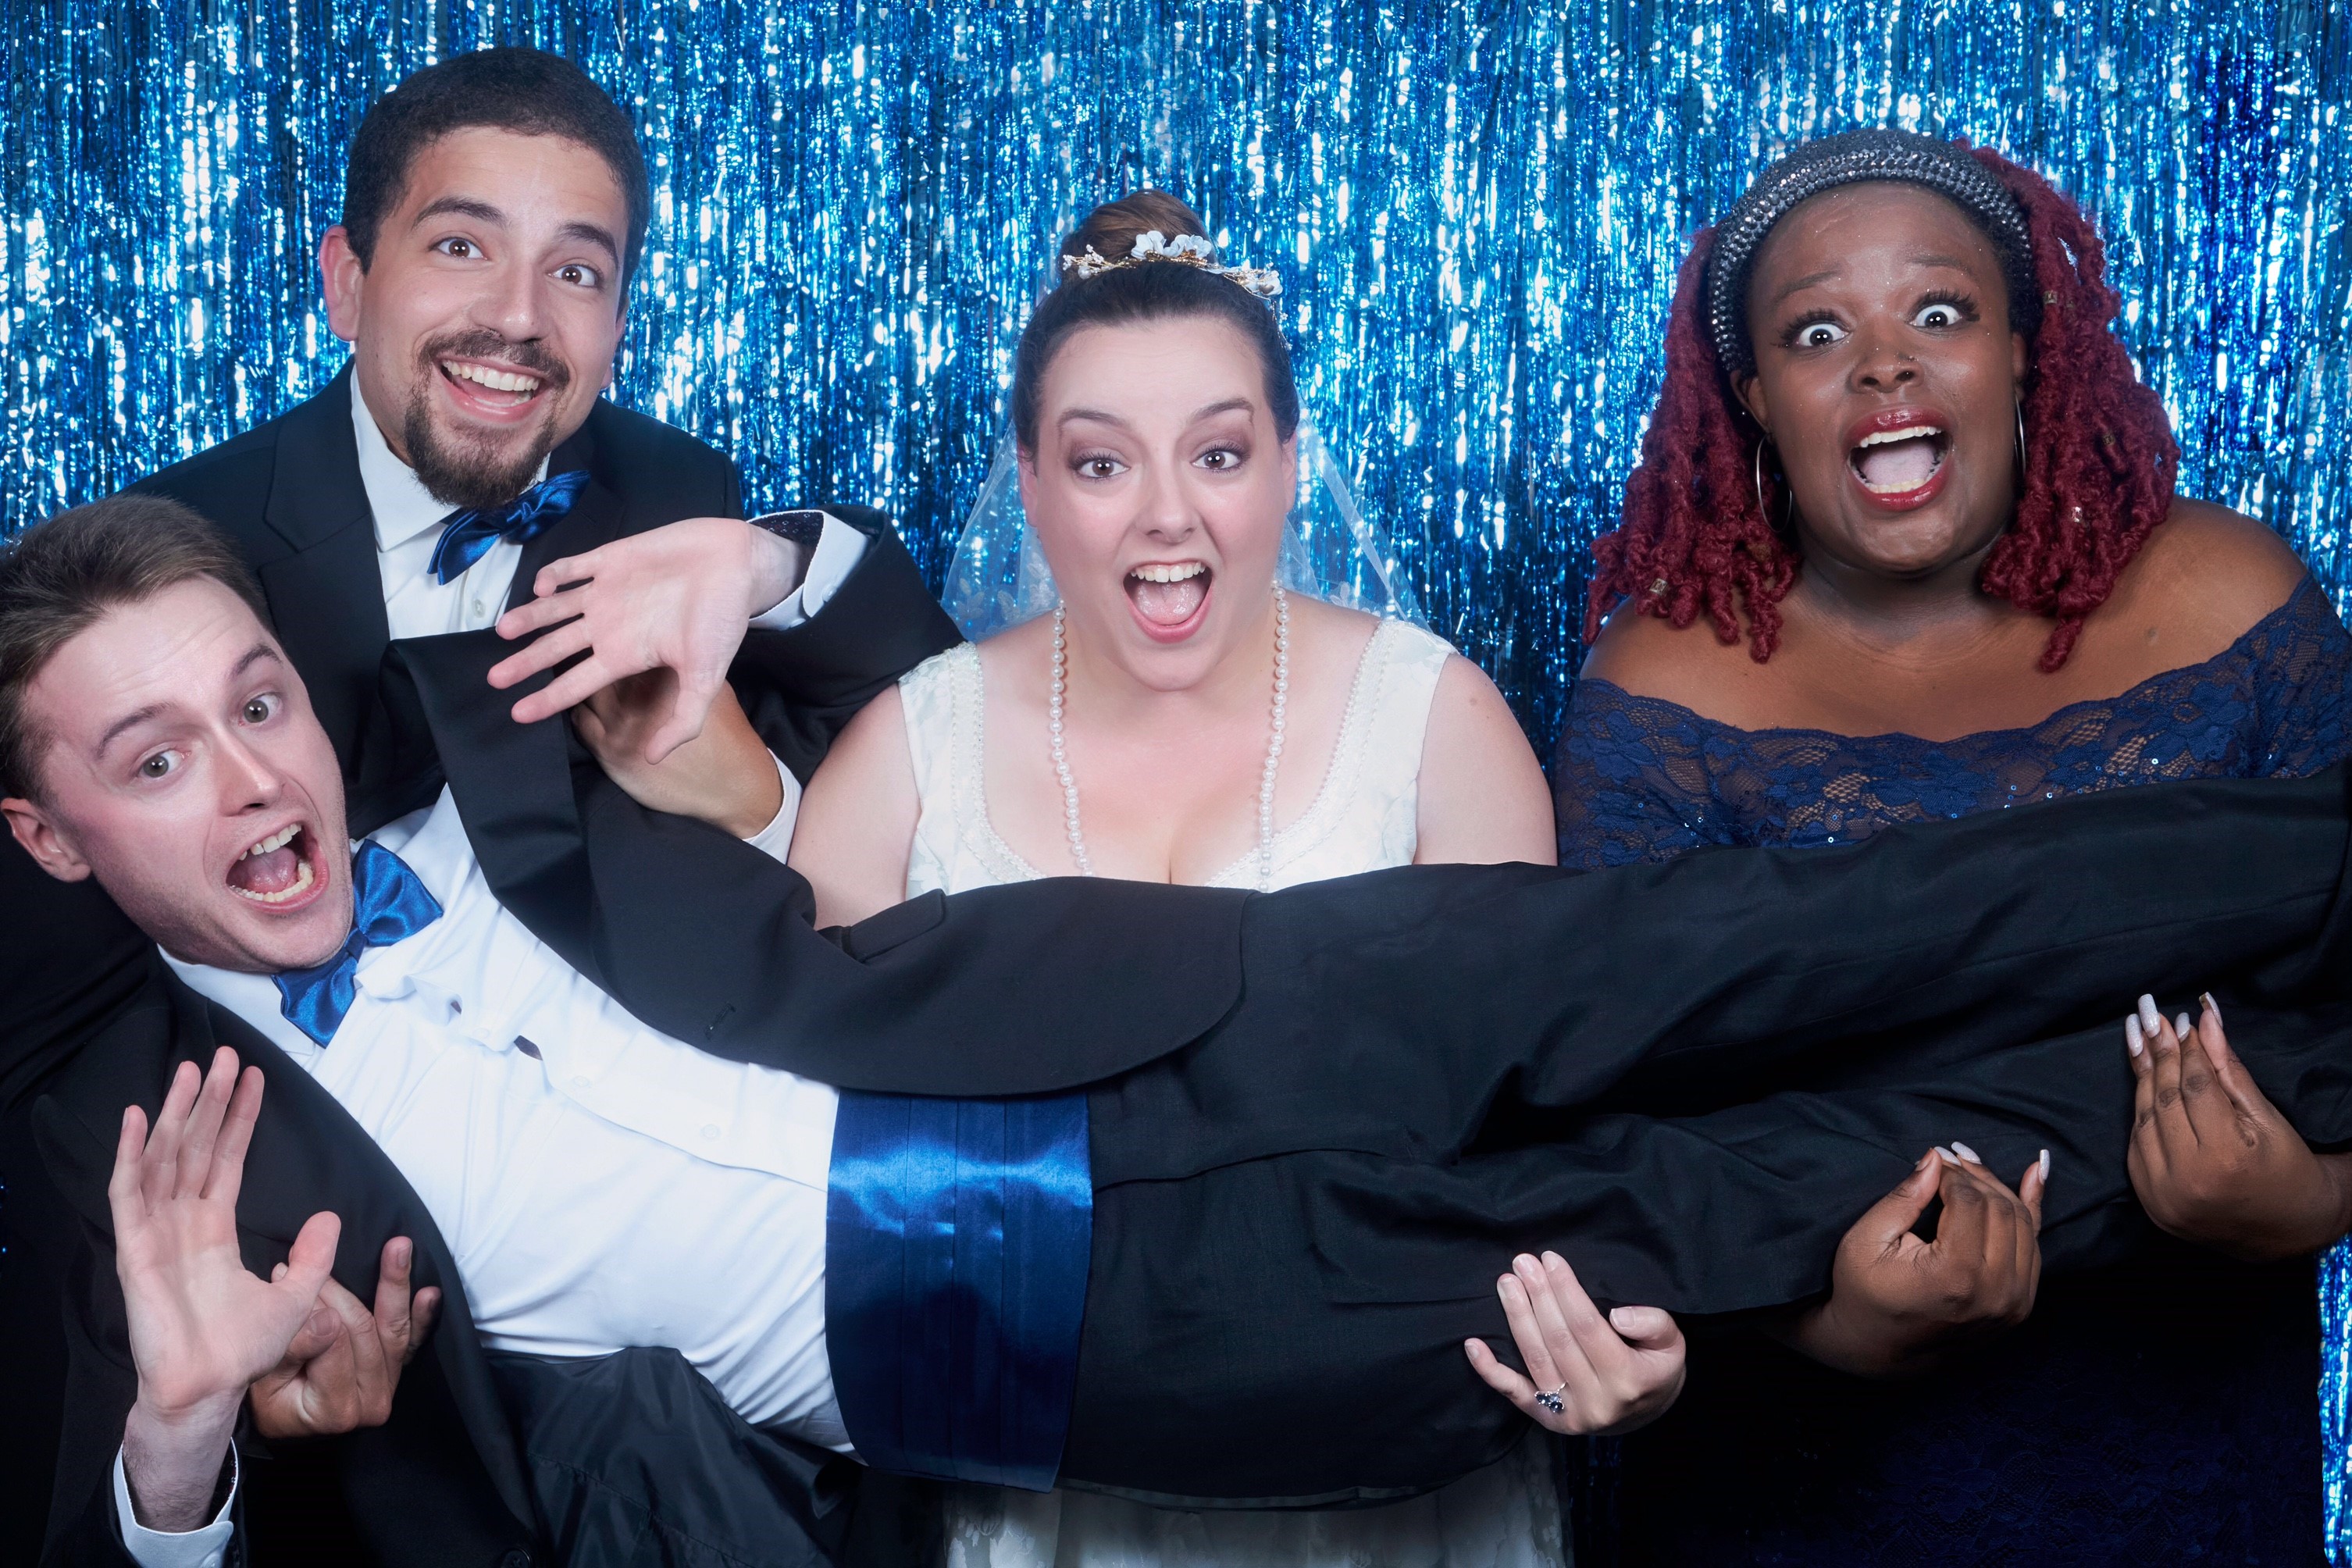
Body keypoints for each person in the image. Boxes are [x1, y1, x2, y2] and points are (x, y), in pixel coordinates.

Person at [22, 505, 2352, 1567]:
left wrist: (778, 556)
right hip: (1088, 1350)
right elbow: (129, 1508)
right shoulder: (140, 1172)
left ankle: (2322, 864)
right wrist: (183, 1460)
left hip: (1200, 989)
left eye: (248, 702)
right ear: (39, 842)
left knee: (1785, 940)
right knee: (1761, 1199)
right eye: (150, 763)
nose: (251, 779)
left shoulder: (474, 724)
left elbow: (915, 646)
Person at [0, 45, 960, 1552]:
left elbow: (924, 715)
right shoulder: (166, 578)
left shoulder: (667, 491)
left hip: (848, 1219)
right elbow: (56, 1068)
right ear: (344, 280)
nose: (518, 319)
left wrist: (769, 558)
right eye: (461, 247)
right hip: (478, 1383)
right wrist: (216, 1412)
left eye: (577, 272)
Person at [1554, 127, 2352, 1562]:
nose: (1885, 368)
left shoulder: (2234, 606)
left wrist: (2308, 1200)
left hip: (2184, 1457)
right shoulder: (1661, 692)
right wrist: (1837, 1321)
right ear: (1753, 398)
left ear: (2026, 352)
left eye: (1939, 312)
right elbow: (1613, 1129)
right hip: (1797, 1493)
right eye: (1816, 332)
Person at [780, 190, 1580, 1566]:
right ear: (1029, 481)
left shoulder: (1438, 723)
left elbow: (1541, 1117)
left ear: (1285, 462)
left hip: (1392, 1482)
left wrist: (1609, 1334)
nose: (1167, 517)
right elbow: (805, 1162)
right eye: (1101, 465)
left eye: (1218, 453)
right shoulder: (906, 750)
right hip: (1041, 1490)